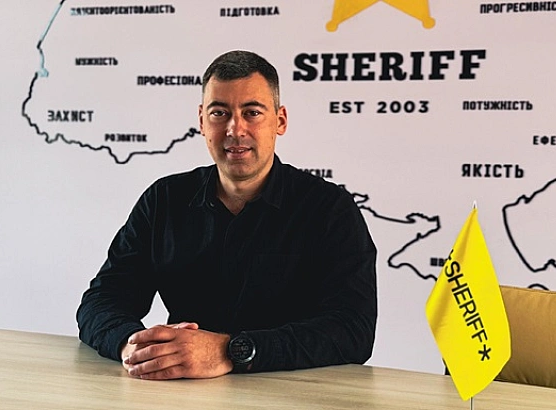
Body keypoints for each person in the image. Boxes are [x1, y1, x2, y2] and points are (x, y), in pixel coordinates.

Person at [76, 50, 378, 380]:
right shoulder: (164, 200)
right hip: (183, 393)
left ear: (280, 121)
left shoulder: (330, 209)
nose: (235, 129)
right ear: (202, 121)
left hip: (292, 392)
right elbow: (103, 300)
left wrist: (230, 351)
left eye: (252, 113)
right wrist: (132, 346)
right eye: (220, 113)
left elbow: (353, 331)